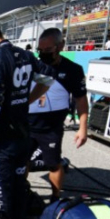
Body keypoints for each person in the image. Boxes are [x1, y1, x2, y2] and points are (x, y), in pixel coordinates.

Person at [0, 14, 54, 219]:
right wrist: (26, 100)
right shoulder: (24, 54)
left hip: (4, 141)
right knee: (18, 189)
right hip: (23, 134)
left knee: (1, 195)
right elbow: (48, 78)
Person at [28, 28, 89, 201]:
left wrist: (83, 128)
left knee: (53, 163)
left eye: (48, 50)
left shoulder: (73, 70)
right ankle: (23, 190)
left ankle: (56, 198)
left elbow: (81, 101)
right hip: (27, 122)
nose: (43, 54)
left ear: (60, 45)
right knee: (21, 161)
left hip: (52, 126)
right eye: (40, 50)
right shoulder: (33, 65)